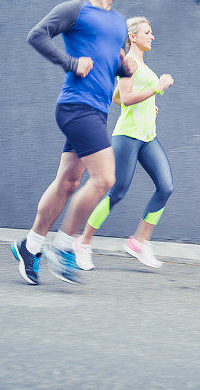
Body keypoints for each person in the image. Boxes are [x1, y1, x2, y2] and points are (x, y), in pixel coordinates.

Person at [11, 0, 137, 285]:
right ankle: (64, 246)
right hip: (75, 107)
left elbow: (116, 66)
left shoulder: (120, 23)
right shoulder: (76, 10)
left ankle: (31, 245)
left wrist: (126, 69)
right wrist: (69, 63)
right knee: (106, 178)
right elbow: (36, 35)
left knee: (68, 183)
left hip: (96, 111)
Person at [73, 16, 174, 270]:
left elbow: (117, 97)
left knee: (166, 187)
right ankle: (83, 243)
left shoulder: (141, 64)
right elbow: (127, 98)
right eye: (147, 32)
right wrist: (156, 89)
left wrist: (149, 107)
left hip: (147, 135)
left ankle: (139, 242)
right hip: (128, 135)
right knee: (116, 191)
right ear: (133, 37)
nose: (152, 36)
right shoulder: (128, 61)